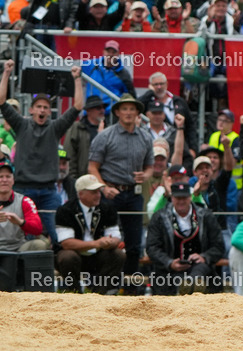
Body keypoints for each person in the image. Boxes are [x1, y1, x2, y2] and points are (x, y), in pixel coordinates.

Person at [0, 60, 84, 244]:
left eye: (46, 107)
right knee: (24, 236)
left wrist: (77, 79)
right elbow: (1, 101)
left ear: (49, 111)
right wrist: (6, 73)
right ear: (31, 110)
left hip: (48, 191)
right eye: (38, 106)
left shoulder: (55, 127)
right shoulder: (21, 124)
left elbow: (78, 106)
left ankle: (56, 261)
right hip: (22, 190)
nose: (42, 110)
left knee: (57, 236)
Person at [87, 92, 154, 290]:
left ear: (137, 113)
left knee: (134, 244)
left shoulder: (145, 137)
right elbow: (92, 167)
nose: (128, 112)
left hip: (134, 193)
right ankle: (102, 286)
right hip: (110, 192)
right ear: (117, 112)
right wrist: (103, 188)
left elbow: (150, 166)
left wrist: (146, 175)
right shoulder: (105, 136)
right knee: (106, 241)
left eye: (132, 109)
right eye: (124, 109)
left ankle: (130, 288)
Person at [145, 182, 225, 295]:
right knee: (175, 280)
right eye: (178, 198)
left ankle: (194, 283)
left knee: (200, 272)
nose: (181, 201)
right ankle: (188, 286)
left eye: (184, 198)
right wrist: (169, 262)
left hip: (201, 268)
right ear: (172, 198)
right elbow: (152, 247)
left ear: (190, 197)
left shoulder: (206, 216)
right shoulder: (159, 217)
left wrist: (204, 257)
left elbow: (219, 245)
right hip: (169, 272)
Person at [54, 175, 126, 293]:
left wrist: (110, 242)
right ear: (80, 194)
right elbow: (66, 243)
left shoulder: (108, 208)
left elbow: (116, 237)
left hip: (98, 256)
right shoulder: (65, 210)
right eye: (93, 192)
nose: (98, 195)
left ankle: (99, 294)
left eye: (99, 191)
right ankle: (75, 292)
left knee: (118, 255)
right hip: (75, 256)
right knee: (67, 257)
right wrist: (97, 243)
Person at [0, 159, 49, 291]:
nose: (4, 180)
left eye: (8, 176)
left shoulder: (24, 201)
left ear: (13, 180)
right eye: (1, 177)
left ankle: (36, 289)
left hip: (18, 247)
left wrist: (20, 222)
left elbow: (38, 228)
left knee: (39, 245)